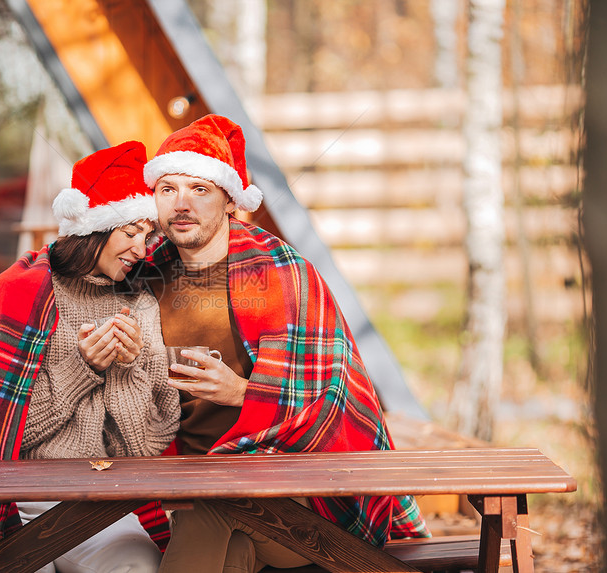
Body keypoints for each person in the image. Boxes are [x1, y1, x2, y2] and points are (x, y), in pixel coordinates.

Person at [140, 114, 429, 572]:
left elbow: (333, 399)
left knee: (215, 504)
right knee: (228, 546)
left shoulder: (282, 272)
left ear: (229, 200)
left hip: (300, 493)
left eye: (199, 189)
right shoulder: (142, 277)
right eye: (167, 188)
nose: (181, 203)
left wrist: (241, 392)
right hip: (182, 487)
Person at [0, 141, 180, 572]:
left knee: (137, 565)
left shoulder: (141, 305)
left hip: (96, 502)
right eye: (130, 232)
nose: (141, 249)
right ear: (94, 227)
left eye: (147, 235)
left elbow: (145, 445)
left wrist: (127, 370)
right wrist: (82, 369)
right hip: (4, 503)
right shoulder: (21, 291)